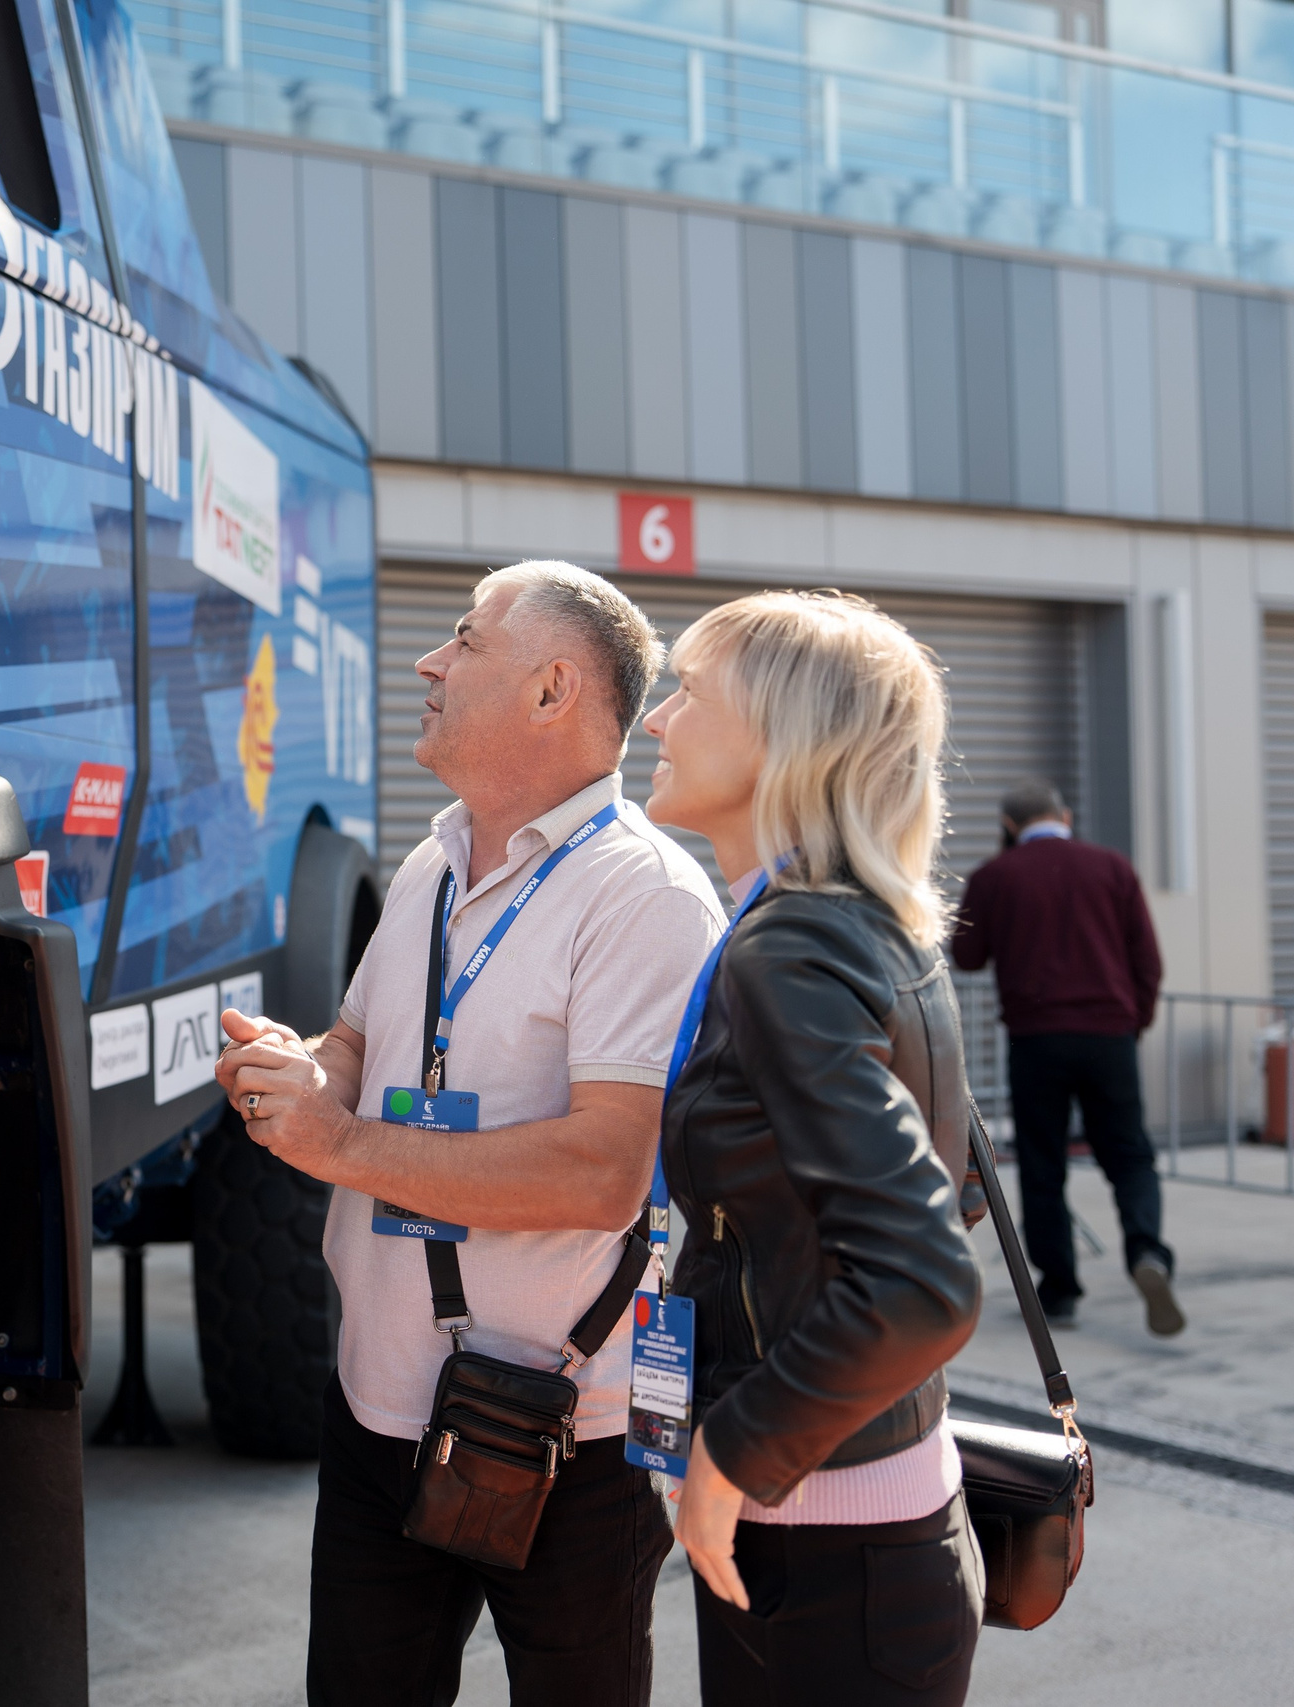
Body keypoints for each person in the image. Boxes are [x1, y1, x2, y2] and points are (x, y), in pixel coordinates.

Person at [215, 560, 724, 1707]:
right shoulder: (429, 867)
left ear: (552, 691)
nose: (426, 663)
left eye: (462, 640)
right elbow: (358, 1041)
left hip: (567, 1433)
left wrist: (337, 1145)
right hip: (378, 1407)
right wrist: (303, 1071)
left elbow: (604, 1171)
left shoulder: (643, 896)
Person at [642, 590, 986, 1707]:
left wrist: (729, 1454)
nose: (656, 719)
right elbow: (958, 1188)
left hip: (822, 1552)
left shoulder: (789, 940)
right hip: (870, 1524)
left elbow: (925, 1281)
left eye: (687, 691)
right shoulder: (859, 917)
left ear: (783, 739)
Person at [951, 780, 1180, 1336]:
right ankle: (1147, 1252)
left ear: (1008, 827)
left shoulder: (994, 877)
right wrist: (1134, 1022)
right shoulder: (1112, 868)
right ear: (1066, 816)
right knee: (1129, 1154)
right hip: (1109, 1035)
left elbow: (967, 955)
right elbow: (1147, 962)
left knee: (1042, 1162)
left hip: (1037, 1040)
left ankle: (1059, 1291)